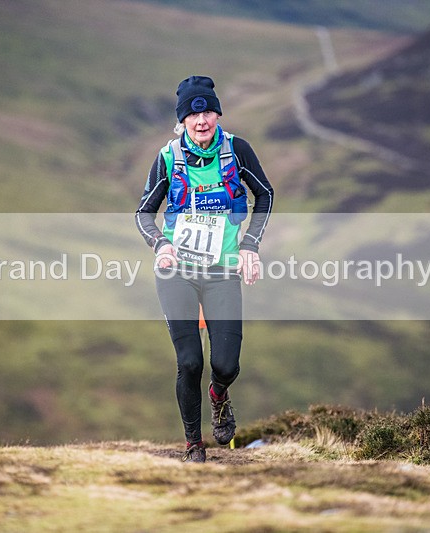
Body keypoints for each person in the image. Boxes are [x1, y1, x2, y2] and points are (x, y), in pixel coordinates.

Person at [135, 75, 274, 463]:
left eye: (209, 112)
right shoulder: (168, 158)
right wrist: (160, 244)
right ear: (182, 120)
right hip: (177, 271)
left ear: (217, 115)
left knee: (226, 365)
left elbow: (265, 194)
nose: (201, 121)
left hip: (222, 271)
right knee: (190, 361)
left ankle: (219, 393)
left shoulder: (237, 151)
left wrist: (250, 246)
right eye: (193, 115)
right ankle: (194, 444)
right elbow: (144, 212)